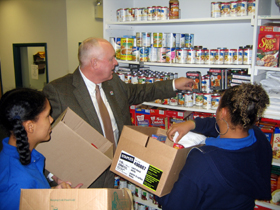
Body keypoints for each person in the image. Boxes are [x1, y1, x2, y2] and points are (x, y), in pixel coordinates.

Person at [42, 37, 195, 188]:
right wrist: (53, 176)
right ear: (94, 63)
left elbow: (140, 92)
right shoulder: (59, 91)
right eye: (111, 59)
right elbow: (43, 141)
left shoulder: (113, 82)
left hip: (120, 169)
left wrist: (174, 84)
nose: (116, 63)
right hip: (84, 180)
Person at [157, 83, 272, 210]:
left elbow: (174, 206)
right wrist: (192, 123)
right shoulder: (259, 137)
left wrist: (154, 179)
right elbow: (217, 125)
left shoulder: (202, 161)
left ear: (222, 113)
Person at [0, 88, 82, 210]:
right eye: (47, 115)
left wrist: (52, 194)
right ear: (30, 126)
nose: (51, 120)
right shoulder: (18, 183)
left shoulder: (21, 155)